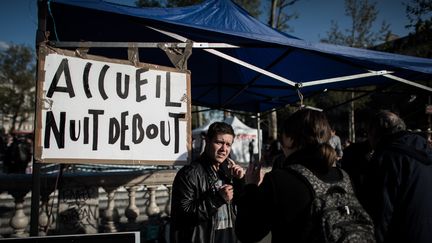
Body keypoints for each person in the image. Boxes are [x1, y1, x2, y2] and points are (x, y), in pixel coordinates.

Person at [235, 109, 359, 243]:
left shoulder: (279, 179)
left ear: (290, 139)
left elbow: (247, 233)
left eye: (282, 134)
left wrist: (251, 188)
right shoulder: (344, 177)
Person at [170, 122, 245, 243]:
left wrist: (240, 182)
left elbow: (242, 206)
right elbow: (183, 214)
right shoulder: (189, 174)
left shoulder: (229, 171)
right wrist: (217, 199)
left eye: (228, 144)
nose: (224, 149)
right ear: (207, 141)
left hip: (230, 236)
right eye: (219, 142)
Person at [364, 110, 432, 243]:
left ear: (376, 133)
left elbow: (381, 212)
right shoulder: (426, 150)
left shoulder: (386, 158)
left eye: (368, 134)